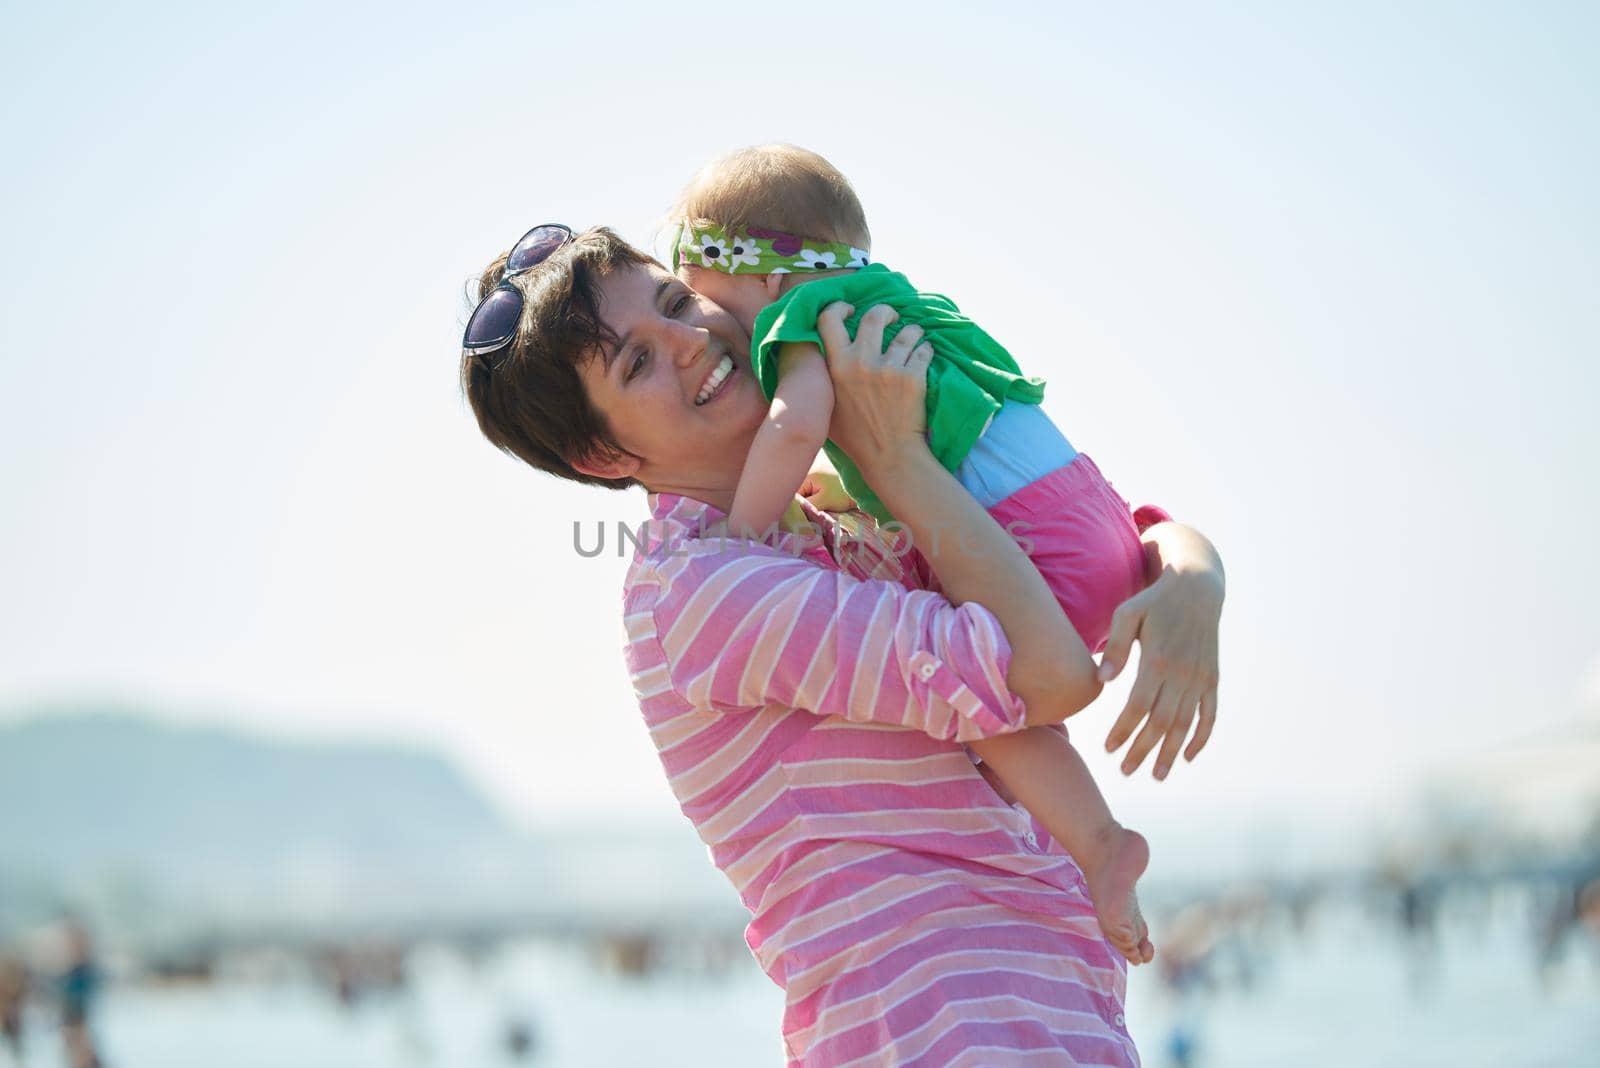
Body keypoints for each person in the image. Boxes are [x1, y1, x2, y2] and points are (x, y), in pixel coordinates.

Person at [460, 224, 1224, 1065]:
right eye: (636, 361)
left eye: (677, 304)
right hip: (937, 1021)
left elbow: (1066, 535)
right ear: (602, 454)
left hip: (1048, 1010)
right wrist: (894, 455)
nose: (687, 341)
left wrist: (1191, 575)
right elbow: (1044, 672)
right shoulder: (699, 592)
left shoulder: (829, 522)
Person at [665, 144, 1215, 963]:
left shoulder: (801, 321)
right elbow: (928, 446)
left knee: (984, 700)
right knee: (990, 693)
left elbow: (798, 421)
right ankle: (1103, 847)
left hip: (1034, 559)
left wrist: (743, 531)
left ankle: (1098, 840)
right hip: (1092, 522)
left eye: (722, 311)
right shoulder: (895, 307)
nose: (730, 342)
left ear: (767, 281)